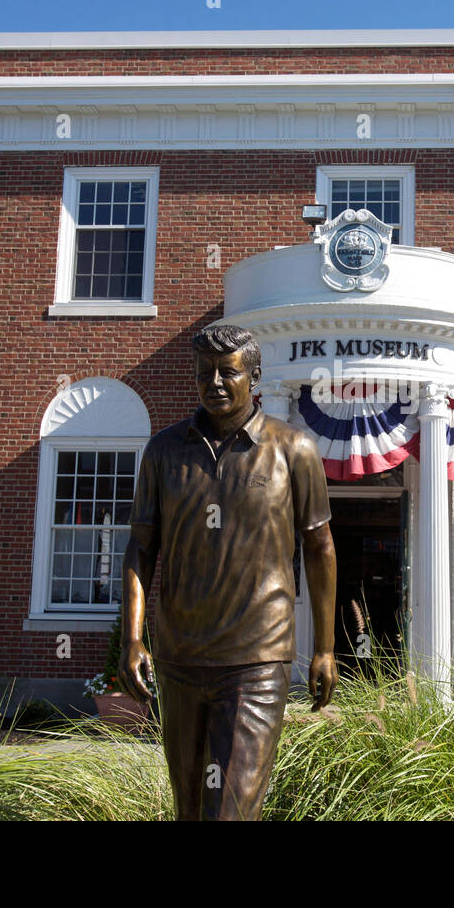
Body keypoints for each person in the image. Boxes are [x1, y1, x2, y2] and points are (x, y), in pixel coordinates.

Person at [120, 324, 338, 821]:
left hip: (257, 656)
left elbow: (320, 548)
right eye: (204, 373)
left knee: (231, 810)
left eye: (228, 372)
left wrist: (324, 649)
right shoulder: (164, 452)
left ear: (255, 377)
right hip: (181, 656)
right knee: (191, 808)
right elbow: (140, 547)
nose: (214, 382)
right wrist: (132, 638)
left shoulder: (293, 450)